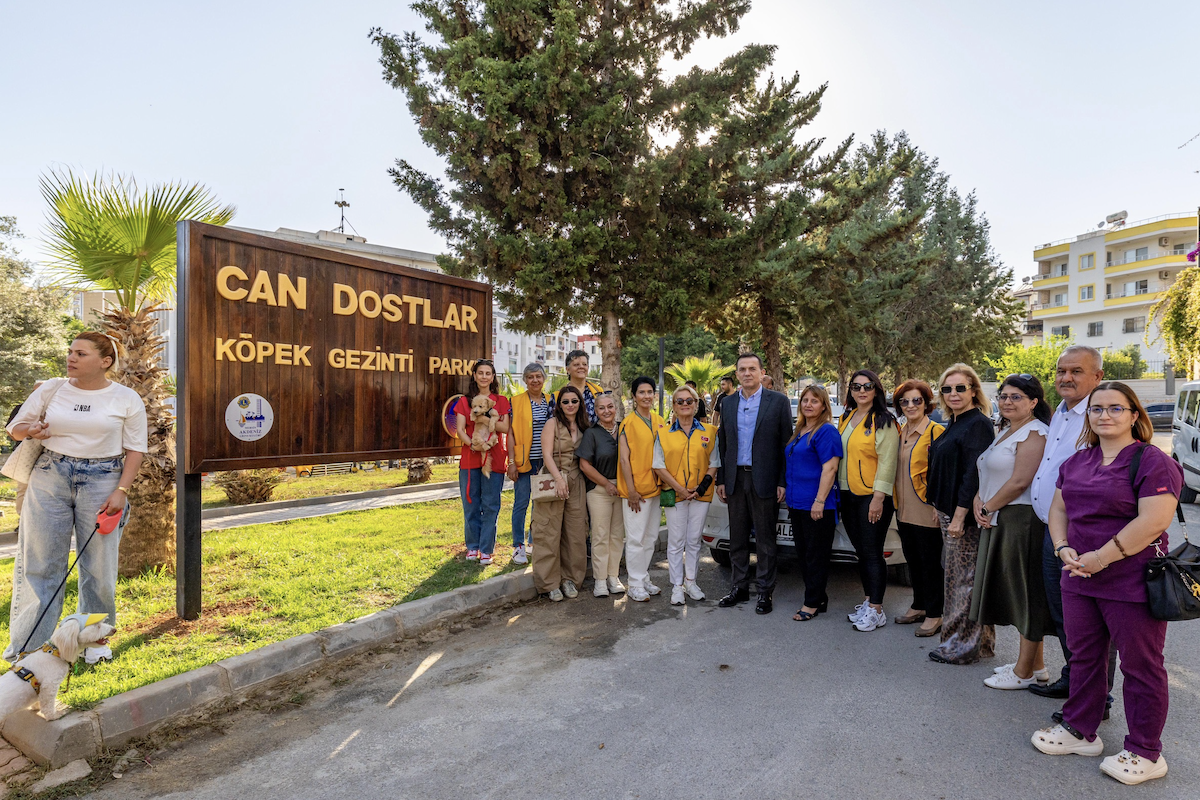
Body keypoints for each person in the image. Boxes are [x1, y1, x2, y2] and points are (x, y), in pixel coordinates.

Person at [1031, 382, 1182, 786]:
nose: (1104, 415)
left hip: (1130, 579)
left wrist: (1100, 558)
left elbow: (1153, 521)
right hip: (1078, 574)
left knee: (1141, 665)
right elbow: (1058, 508)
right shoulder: (1079, 460)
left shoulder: (1152, 462)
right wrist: (1063, 547)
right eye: (1096, 409)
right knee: (1083, 657)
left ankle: (1146, 751)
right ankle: (1080, 730)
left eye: (1115, 408)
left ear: (1135, 415)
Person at [4, 333, 147, 665]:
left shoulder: (126, 398)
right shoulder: (52, 388)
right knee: (41, 565)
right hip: (50, 475)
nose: (71, 357)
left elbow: (135, 450)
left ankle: (94, 641)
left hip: (103, 480)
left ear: (105, 361)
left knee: (98, 568)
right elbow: (16, 428)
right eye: (70, 351)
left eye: (80, 353)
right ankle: (28, 650)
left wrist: (121, 490)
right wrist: (32, 430)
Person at [1028, 346, 1116, 709]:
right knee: (1066, 617)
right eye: (1061, 371)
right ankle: (1075, 680)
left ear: (1097, 376)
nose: (1066, 377)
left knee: (1090, 626)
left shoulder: (1100, 415)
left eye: (1076, 371)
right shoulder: (1062, 413)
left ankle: (1098, 699)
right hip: (1055, 531)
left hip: (1084, 536)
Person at [971, 374, 1054, 690]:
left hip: (1020, 521)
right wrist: (981, 499)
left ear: (1033, 402)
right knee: (1019, 593)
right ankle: (1038, 666)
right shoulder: (1006, 430)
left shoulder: (1035, 433)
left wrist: (988, 505)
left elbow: (1021, 481)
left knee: (1025, 595)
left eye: (1016, 396)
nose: (1007, 401)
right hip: (998, 516)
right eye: (1003, 395)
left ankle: (1023, 673)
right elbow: (989, 470)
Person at [926, 363, 996, 665]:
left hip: (963, 518)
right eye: (947, 388)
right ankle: (979, 643)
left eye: (960, 388)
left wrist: (957, 516)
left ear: (973, 391)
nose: (953, 393)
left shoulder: (978, 424)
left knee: (963, 583)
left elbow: (972, 474)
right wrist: (938, 508)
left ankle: (962, 647)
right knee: (959, 580)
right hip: (947, 512)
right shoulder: (954, 421)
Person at [715, 353, 792, 614]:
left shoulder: (778, 402)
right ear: (736, 374)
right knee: (737, 538)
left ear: (761, 372)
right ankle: (739, 588)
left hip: (765, 479)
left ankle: (764, 592)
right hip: (736, 479)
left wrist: (782, 480)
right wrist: (722, 479)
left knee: (766, 541)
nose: (747, 373)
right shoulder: (727, 403)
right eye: (742, 369)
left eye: (752, 369)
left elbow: (785, 445)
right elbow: (724, 445)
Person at [837, 369, 899, 632]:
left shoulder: (884, 420)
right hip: (847, 494)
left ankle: (876, 609)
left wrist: (878, 498)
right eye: (856, 386)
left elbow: (888, 461)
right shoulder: (846, 417)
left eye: (868, 386)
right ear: (850, 391)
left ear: (877, 390)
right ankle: (867, 601)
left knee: (872, 553)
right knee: (861, 552)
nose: (862, 391)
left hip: (872, 497)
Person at [653, 385, 718, 605]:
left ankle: (691, 582)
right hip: (675, 493)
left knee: (693, 540)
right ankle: (676, 586)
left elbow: (714, 463)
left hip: (701, 494)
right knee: (675, 541)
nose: (684, 405)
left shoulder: (710, 432)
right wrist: (681, 489)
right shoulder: (663, 434)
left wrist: (700, 488)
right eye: (679, 401)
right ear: (673, 406)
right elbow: (658, 466)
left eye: (689, 401)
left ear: (696, 404)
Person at [783, 385, 842, 621]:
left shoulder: (826, 431)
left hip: (817, 505)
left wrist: (819, 501)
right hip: (796, 503)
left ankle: (811, 603)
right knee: (804, 554)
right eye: (805, 400)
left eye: (814, 401)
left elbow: (830, 467)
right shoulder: (800, 430)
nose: (808, 404)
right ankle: (819, 597)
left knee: (816, 556)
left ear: (824, 405)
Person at [891, 380, 945, 637]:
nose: (910, 405)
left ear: (926, 403)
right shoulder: (900, 431)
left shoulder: (935, 432)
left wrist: (938, 504)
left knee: (930, 563)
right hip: (903, 509)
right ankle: (919, 605)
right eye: (904, 401)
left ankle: (935, 614)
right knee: (913, 561)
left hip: (926, 509)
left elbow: (942, 473)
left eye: (916, 400)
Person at [531, 385, 589, 601]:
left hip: (577, 481)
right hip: (553, 479)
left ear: (580, 403)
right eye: (565, 401)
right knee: (549, 531)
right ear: (559, 404)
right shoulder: (551, 423)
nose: (570, 405)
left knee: (575, 532)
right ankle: (550, 583)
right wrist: (558, 479)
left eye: (574, 401)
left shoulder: (584, 426)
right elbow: (546, 454)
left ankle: (570, 579)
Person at [455, 359, 512, 566]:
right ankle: (472, 546)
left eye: (488, 373)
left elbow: (505, 428)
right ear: (475, 375)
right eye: (481, 373)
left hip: (494, 458)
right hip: (470, 458)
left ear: (493, 376)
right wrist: (473, 445)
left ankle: (486, 549)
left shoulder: (501, 401)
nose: (484, 376)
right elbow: (460, 429)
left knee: (490, 505)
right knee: (471, 504)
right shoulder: (464, 401)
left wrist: (489, 423)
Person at [618, 377, 665, 602]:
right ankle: (634, 584)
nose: (646, 396)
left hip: (656, 489)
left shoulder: (659, 420)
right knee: (636, 538)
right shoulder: (628, 423)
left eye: (650, 392)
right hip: (637, 491)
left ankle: (643, 576)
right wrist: (631, 490)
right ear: (634, 396)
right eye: (642, 392)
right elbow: (625, 461)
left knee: (651, 537)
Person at [577, 393, 625, 597]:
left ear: (616, 408)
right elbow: (584, 464)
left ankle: (613, 577)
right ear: (595, 411)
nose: (607, 411)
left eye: (610, 406)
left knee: (617, 536)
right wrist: (606, 484)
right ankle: (600, 580)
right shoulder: (592, 433)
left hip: (622, 490)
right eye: (601, 408)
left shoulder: (624, 429)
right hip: (599, 490)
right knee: (600, 535)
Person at [507, 363, 552, 564]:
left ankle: (534, 543)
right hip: (524, 461)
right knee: (521, 503)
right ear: (525, 380)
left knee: (539, 503)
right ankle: (518, 546)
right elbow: (510, 433)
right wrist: (511, 462)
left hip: (546, 462)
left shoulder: (551, 401)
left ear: (544, 379)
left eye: (538, 376)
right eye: (530, 377)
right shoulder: (515, 402)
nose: (535, 380)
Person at [564, 349, 606, 425]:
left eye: (584, 364)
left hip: (594, 436)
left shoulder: (597, 391)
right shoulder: (559, 395)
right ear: (568, 369)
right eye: (576, 365)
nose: (581, 367)